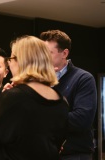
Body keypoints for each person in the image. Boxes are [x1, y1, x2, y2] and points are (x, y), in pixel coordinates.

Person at [0, 35, 69, 160]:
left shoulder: (14, 97)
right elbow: (57, 144)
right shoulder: (62, 101)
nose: (9, 62)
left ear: (23, 61)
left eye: (12, 57)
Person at [40, 30, 97, 160]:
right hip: (45, 152)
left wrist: (42, 117)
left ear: (64, 53)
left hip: (74, 154)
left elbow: (82, 119)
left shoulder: (83, 78)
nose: (43, 58)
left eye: (48, 53)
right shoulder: (38, 80)